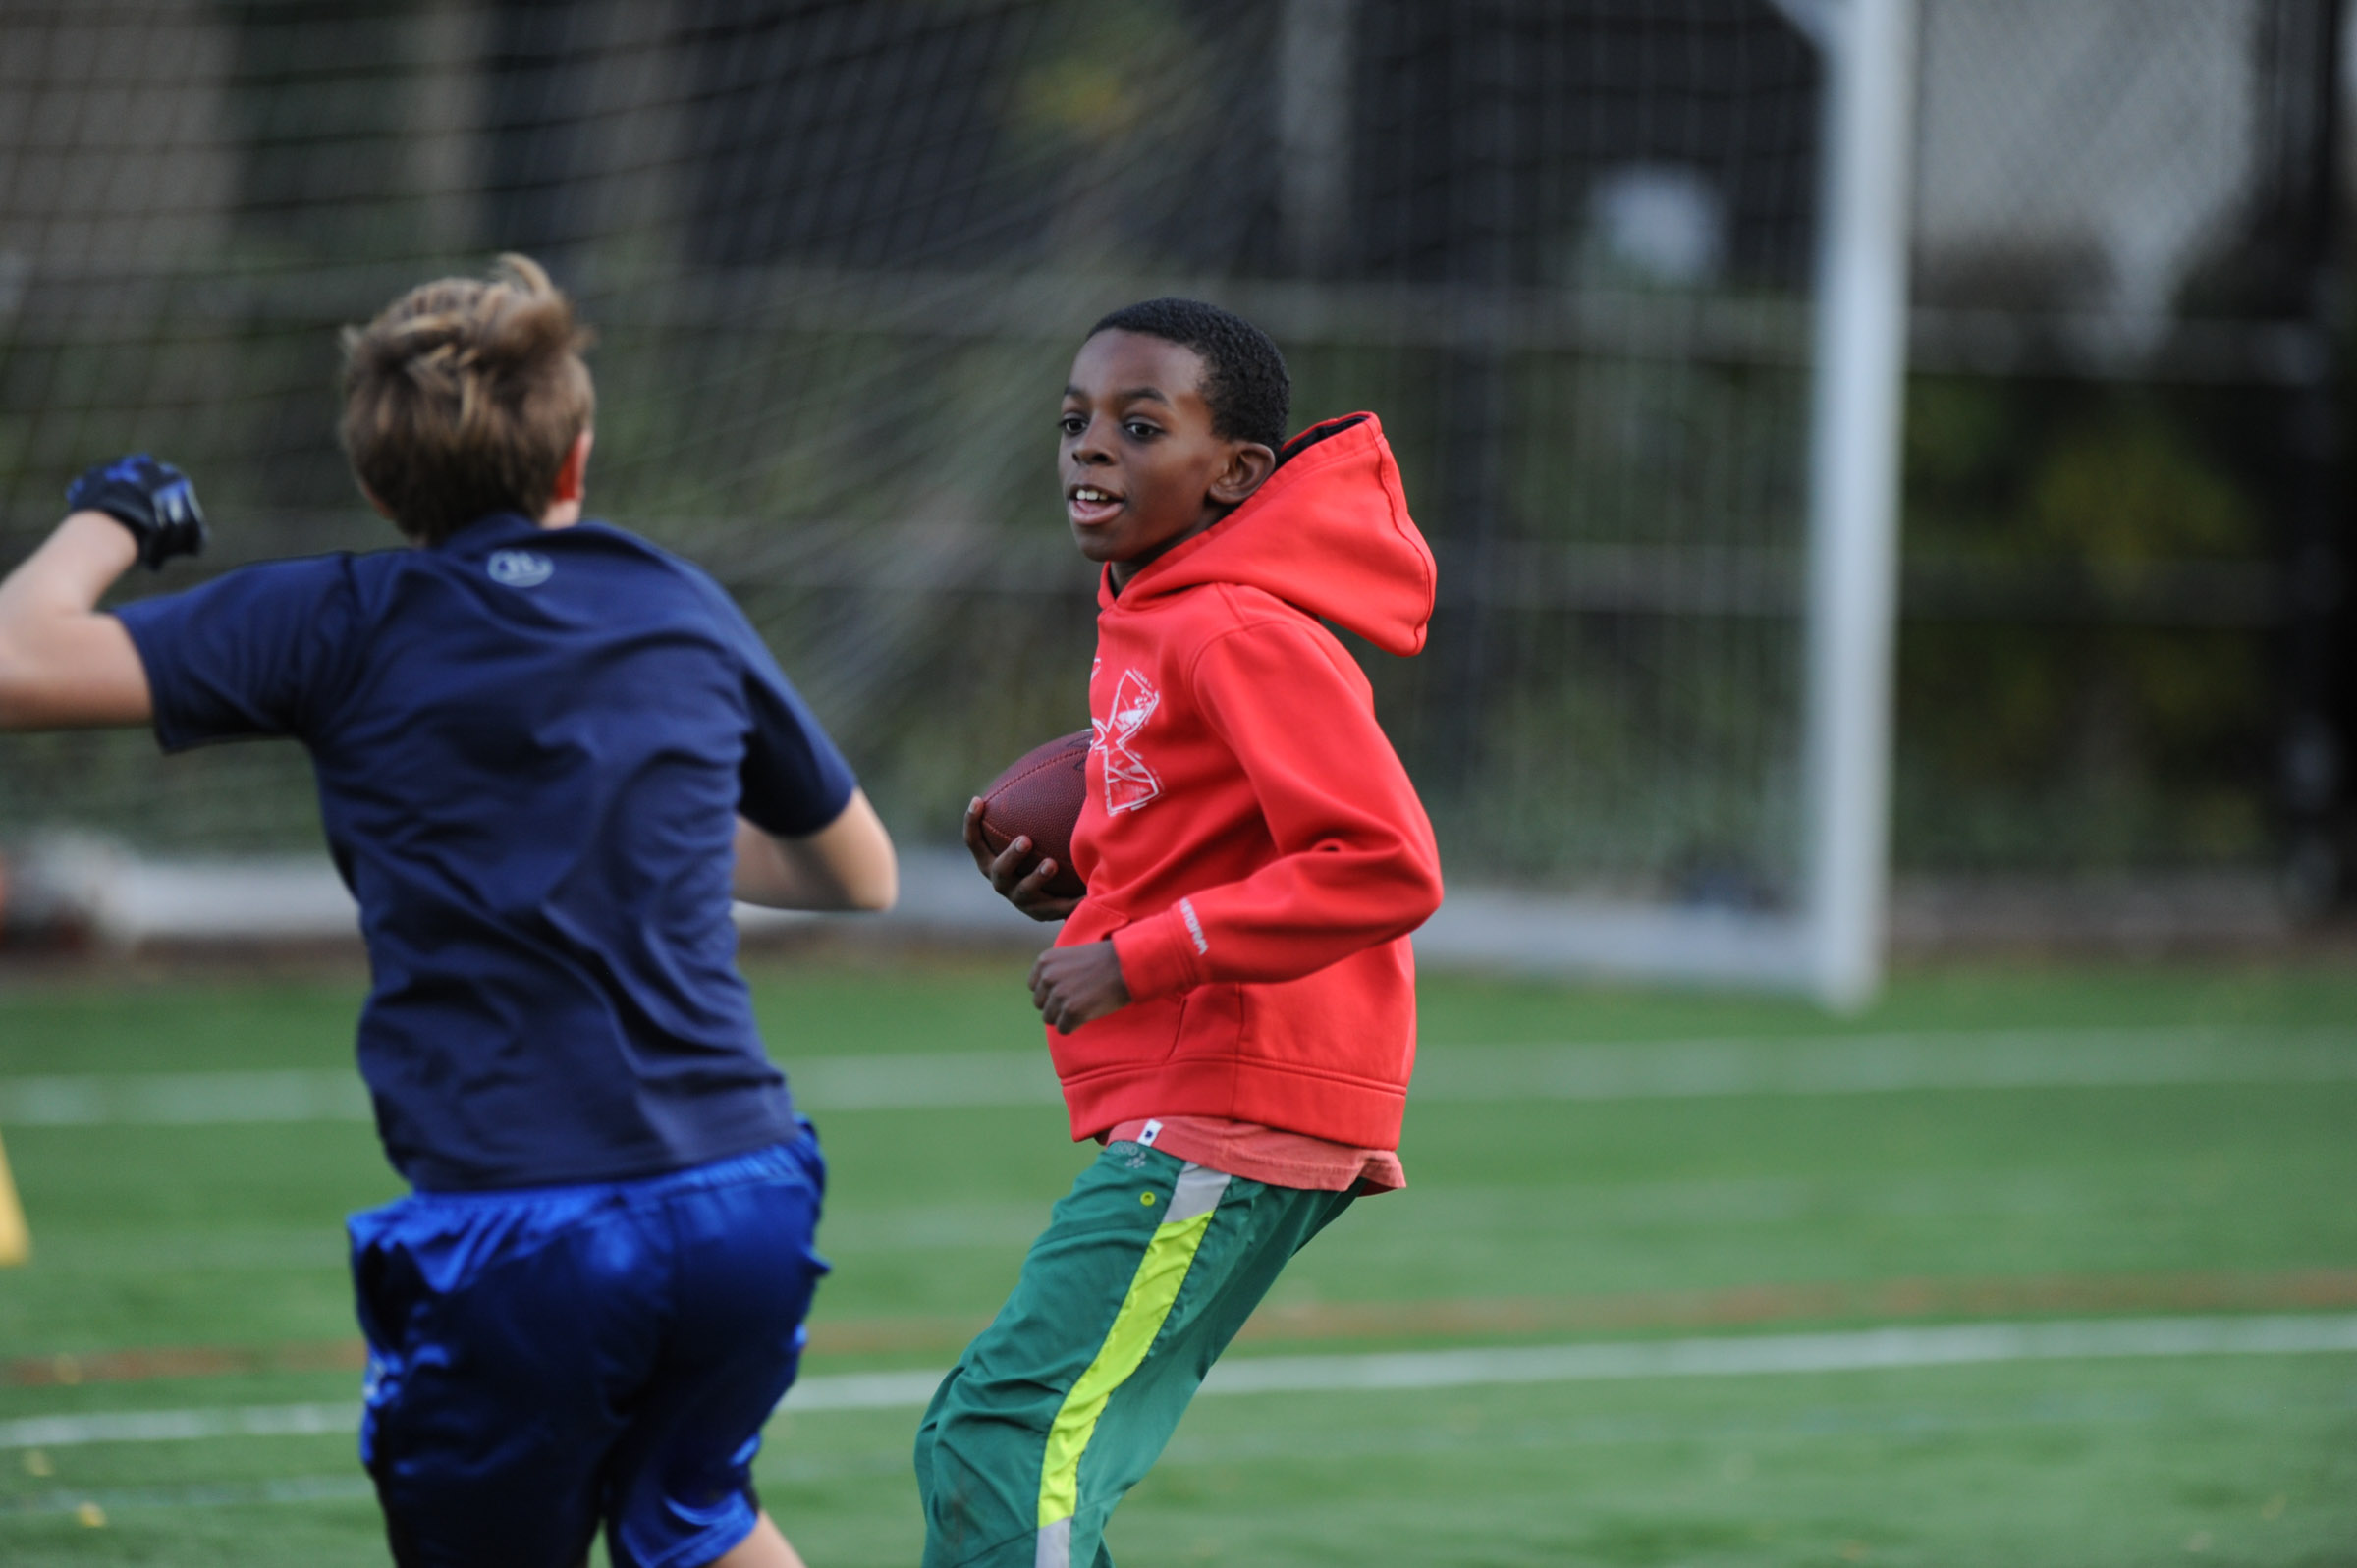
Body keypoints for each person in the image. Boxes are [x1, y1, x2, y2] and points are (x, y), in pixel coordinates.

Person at [0, 255, 896, 1568]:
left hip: (527, 1224)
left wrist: (115, 517)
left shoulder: (340, 616)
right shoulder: (673, 598)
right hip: (743, 1195)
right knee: (698, 1517)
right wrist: (621, 833)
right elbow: (857, 875)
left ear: (377, 482)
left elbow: (17, 658)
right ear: (576, 461)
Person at [923, 297, 1444, 1567]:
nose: (1089, 448)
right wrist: (1094, 883)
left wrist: (1136, 952)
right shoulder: (1152, 610)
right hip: (1209, 1096)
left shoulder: (1239, 628)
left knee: (1006, 1431)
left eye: (1139, 425)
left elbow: (1385, 860)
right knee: (1005, 1437)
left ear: (1238, 472)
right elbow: (1216, 838)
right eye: (1075, 421)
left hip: (1242, 1099)